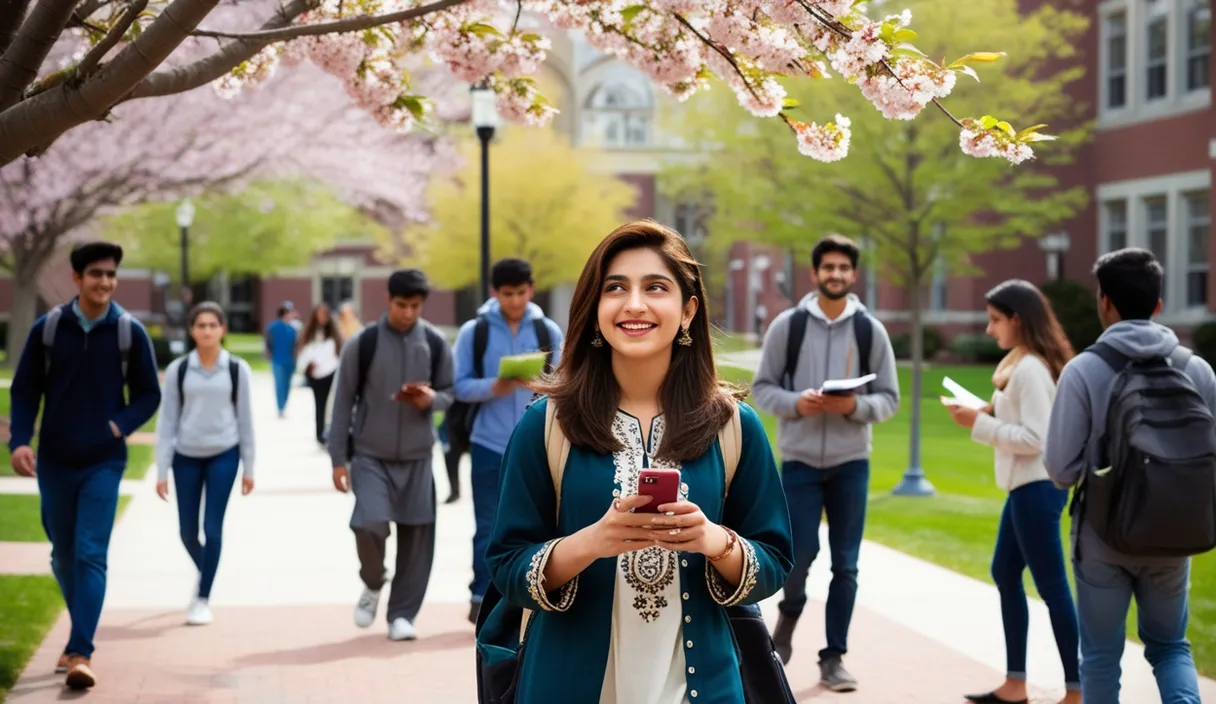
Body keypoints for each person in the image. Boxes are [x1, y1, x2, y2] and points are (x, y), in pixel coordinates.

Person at [483, 220, 794, 703]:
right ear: (594, 309)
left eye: (655, 287)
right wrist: (591, 542)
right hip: (567, 684)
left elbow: (773, 563)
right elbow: (506, 566)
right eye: (615, 288)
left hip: (703, 687)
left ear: (688, 310)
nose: (634, 304)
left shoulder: (734, 426)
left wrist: (713, 540)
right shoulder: (547, 424)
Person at [1044, 248, 1216, 703]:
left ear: (1104, 302)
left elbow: (1060, 468)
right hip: (1174, 534)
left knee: (1100, 656)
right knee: (1171, 647)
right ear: (1158, 304)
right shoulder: (1196, 369)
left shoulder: (1083, 370)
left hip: (1103, 537)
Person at [8, 241, 161, 691]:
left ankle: (80, 651)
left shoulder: (129, 332)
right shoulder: (49, 328)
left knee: (91, 552)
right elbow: (24, 391)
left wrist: (118, 426)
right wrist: (20, 441)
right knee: (63, 554)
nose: (105, 282)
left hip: (103, 462)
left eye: (111, 274)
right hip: (55, 460)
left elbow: (149, 394)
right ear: (77, 278)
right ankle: (79, 636)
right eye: (96, 273)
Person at [750, 233, 900, 692]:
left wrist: (853, 408)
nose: (835, 274)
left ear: (854, 275)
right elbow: (762, 389)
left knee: (847, 564)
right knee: (797, 556)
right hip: (798, 462)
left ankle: (833, 657)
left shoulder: (870, 330)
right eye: (828, 267)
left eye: (844, 268)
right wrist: (800, 403)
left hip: (851, 462)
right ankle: (788, 619)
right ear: (814, 274)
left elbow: (890, 398)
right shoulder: (787, 327)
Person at [944, 280, 1080, 704]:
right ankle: (1016, 684)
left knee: (1053, 586)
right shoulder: (1021, 365)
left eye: (995, 320)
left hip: (1036, 488)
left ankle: (1077, 690)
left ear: (1017, 320)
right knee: (1005, 573)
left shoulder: (1030, 369)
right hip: (1025, 489)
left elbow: (1037, 437)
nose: (989, 330)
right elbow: (1026, 420)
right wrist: (987, 411)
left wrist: (978, 423)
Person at [328, 269, 455, 641]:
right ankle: (372, 581)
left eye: (415, 306)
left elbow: (451, 392)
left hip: (418, 457)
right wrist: (338, 458)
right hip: (370, 455)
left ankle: (402, 615)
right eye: (402, 305)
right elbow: (341, 404)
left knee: (417, 540)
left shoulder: (434, 341)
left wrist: (432, 400)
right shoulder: (363, 343)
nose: (408, 313)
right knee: (368, 523)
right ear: (388, 300)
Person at [453, 257, 564, 622]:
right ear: (494, 293)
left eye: (520, 293)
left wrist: (543, 385)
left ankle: (528, 597)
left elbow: (566, 385)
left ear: (530, 290)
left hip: (538, 447)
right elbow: (459, 385)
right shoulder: (475, 331)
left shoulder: (548, 331)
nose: (514, 301)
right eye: (507, 294)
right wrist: (496, 386)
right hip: (489, 444)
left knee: (539, 523)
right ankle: (481, 595)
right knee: (487, 524)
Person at [154, 302, 256, 627]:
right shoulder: (178, 370)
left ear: (222, 330)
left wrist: (250, 468)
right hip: (186, 457)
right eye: (201, 325)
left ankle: (202, 597)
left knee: (212, 529)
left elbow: (247, 421)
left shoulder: (237, 369)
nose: (207, 331)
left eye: (213, 325)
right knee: (187, 532)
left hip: (224, 455)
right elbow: (167, 420)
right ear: (192, 330)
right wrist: (161, 469)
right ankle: (207, 571)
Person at [296, 303, 342, 447]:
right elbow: (303, 354)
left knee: (332, 404)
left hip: (331, 372)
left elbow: (338, 352)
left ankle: (330, 432)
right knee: (320, 404)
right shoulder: (309, 334)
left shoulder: (333, 334)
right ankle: (320, 433)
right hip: (316, 375)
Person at [264, 304, 298, 418]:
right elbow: (268, 342)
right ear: (285, 313)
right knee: (279, 384)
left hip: (289, 361)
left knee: (287, 384)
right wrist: (268, 353)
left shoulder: (293, 329)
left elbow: (296, 345)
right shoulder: (273, 327)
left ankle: (284, 405)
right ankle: (280, 408)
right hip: (277, 360)